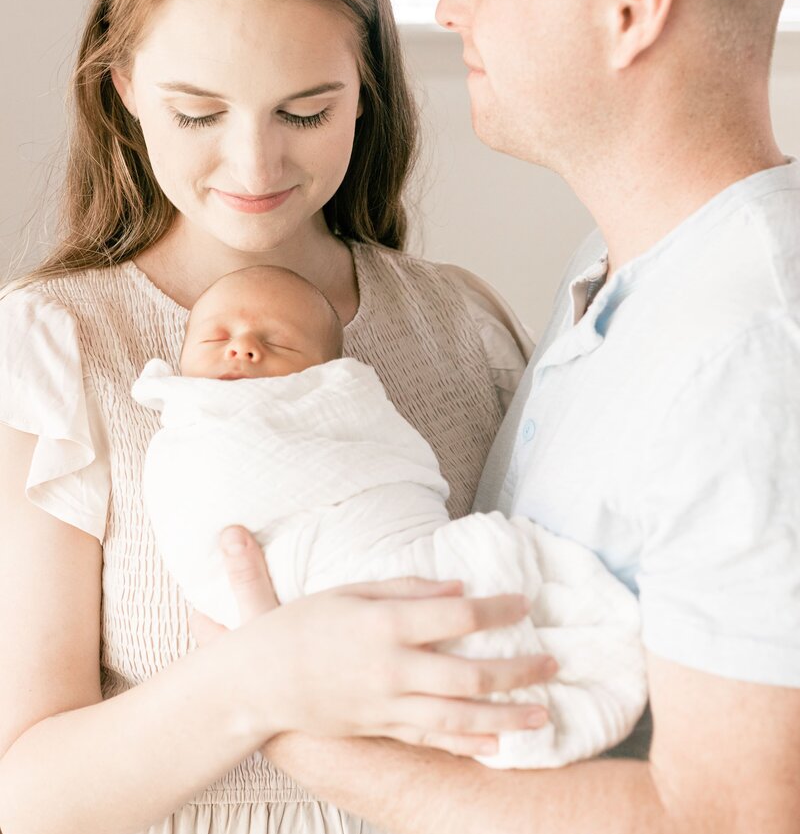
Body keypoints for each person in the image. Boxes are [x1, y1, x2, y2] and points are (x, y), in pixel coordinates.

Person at [212, 0, 800, 834]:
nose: (446, 4)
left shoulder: (750, 349)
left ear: (627, 6)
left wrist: (324, 747)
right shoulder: (620, 273)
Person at [0, 0, 559, 834]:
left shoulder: (461, 329)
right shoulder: (61, 344)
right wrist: (261, 681)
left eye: (306, 110)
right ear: (120, 87)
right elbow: (33, 803)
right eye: (196, 112)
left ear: (369, 87)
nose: (252, 162)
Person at [132, 263, 645, 768]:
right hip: (310, 581)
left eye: (278, 342)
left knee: (480, 593)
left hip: (392, 544)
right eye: (217, 336)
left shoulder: (398, 362)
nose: (243, 348)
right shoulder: (187, 431)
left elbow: (390, 473)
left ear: (326, 371)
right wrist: (269, 684)